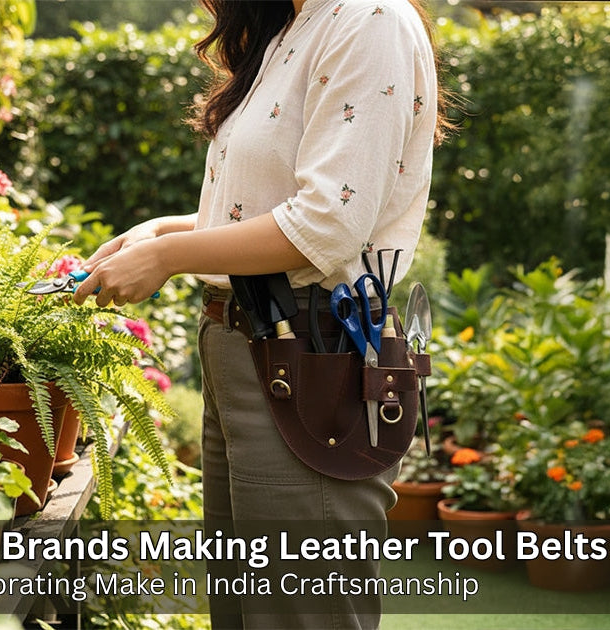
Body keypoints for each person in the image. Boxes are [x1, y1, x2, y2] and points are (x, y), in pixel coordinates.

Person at [74, 0, 448, 627]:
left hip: (312, 353)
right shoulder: (291, 25)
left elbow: (324, 226)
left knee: (298, 612)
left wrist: (168, 257)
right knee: (245, 612)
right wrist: (160, 231)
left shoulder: (370, 18)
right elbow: (265, 208)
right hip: (248, 347)